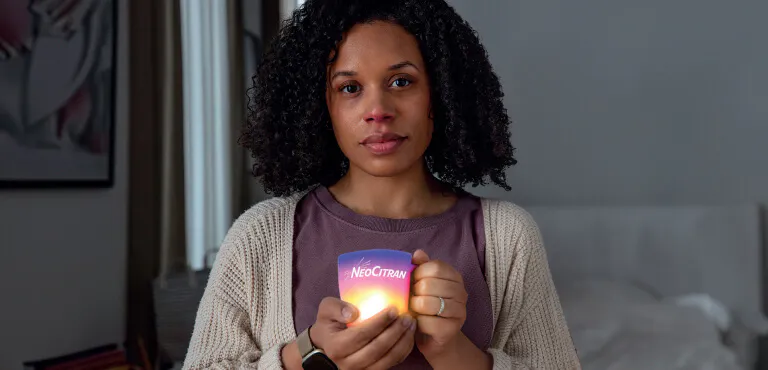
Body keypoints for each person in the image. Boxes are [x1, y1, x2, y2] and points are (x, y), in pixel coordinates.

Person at [182, 0, 580, 368]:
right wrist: (306, 353)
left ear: (439, 94)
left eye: (401, 82)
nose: (378, 111)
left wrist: (452, 350)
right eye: (350, 88)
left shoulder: (508, 236)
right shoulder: (260, 237)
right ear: (323, 107)